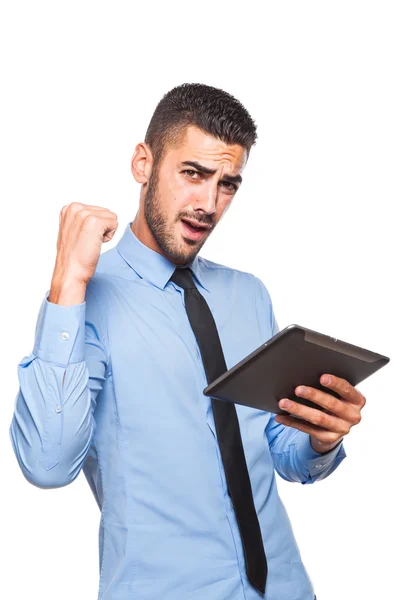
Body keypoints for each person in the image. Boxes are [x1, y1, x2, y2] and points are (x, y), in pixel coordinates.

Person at [9, 83, 365, 600]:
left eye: (227, 184)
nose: (209, 204)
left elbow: (275, 449)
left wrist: (320, 437)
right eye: (193, 174)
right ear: (143, 163)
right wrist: (66, 284)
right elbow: (46, 464)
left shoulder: (249, 294)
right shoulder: (85, 302)